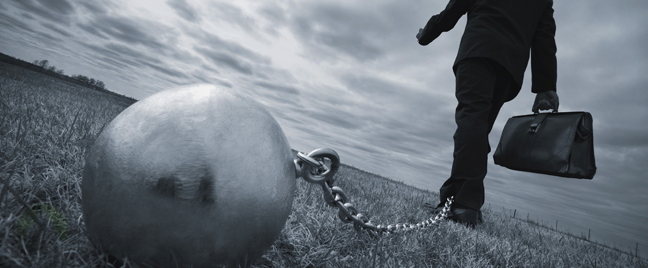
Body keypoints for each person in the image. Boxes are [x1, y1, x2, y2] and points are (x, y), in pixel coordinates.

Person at [416, 0, 560, 225]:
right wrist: (546, 87)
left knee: (471, 123)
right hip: (510, 67)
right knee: (476, 129)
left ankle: (465, 206)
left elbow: (453, 9)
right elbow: (544, 37)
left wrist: (426, 34)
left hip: (479, 50)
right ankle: (455, 201)